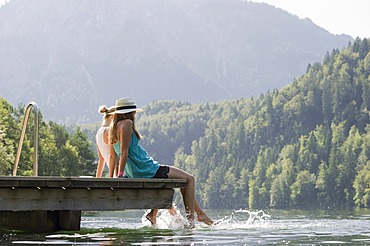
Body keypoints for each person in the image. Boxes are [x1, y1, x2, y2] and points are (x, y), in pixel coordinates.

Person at [108, 97, 214, 227]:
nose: (134, 114)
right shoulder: (127, 123)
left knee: (182, 182)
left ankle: (198, 214)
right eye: (134, 112)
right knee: (190, 179)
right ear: (129, 112)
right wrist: (119, 175)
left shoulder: (112, 129)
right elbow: (124, 152)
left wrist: (115, 176)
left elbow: (115, 155)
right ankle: (191, 222)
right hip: (146, 169)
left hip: (136, 171)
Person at [95, 105, 117, 178]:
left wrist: (97, 179)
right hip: (116, 175)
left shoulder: (99, 132)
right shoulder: (109, 131)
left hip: (113, 174)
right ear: (113, 116)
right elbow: (112, 155)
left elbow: (101, 159)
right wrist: (111, 178)